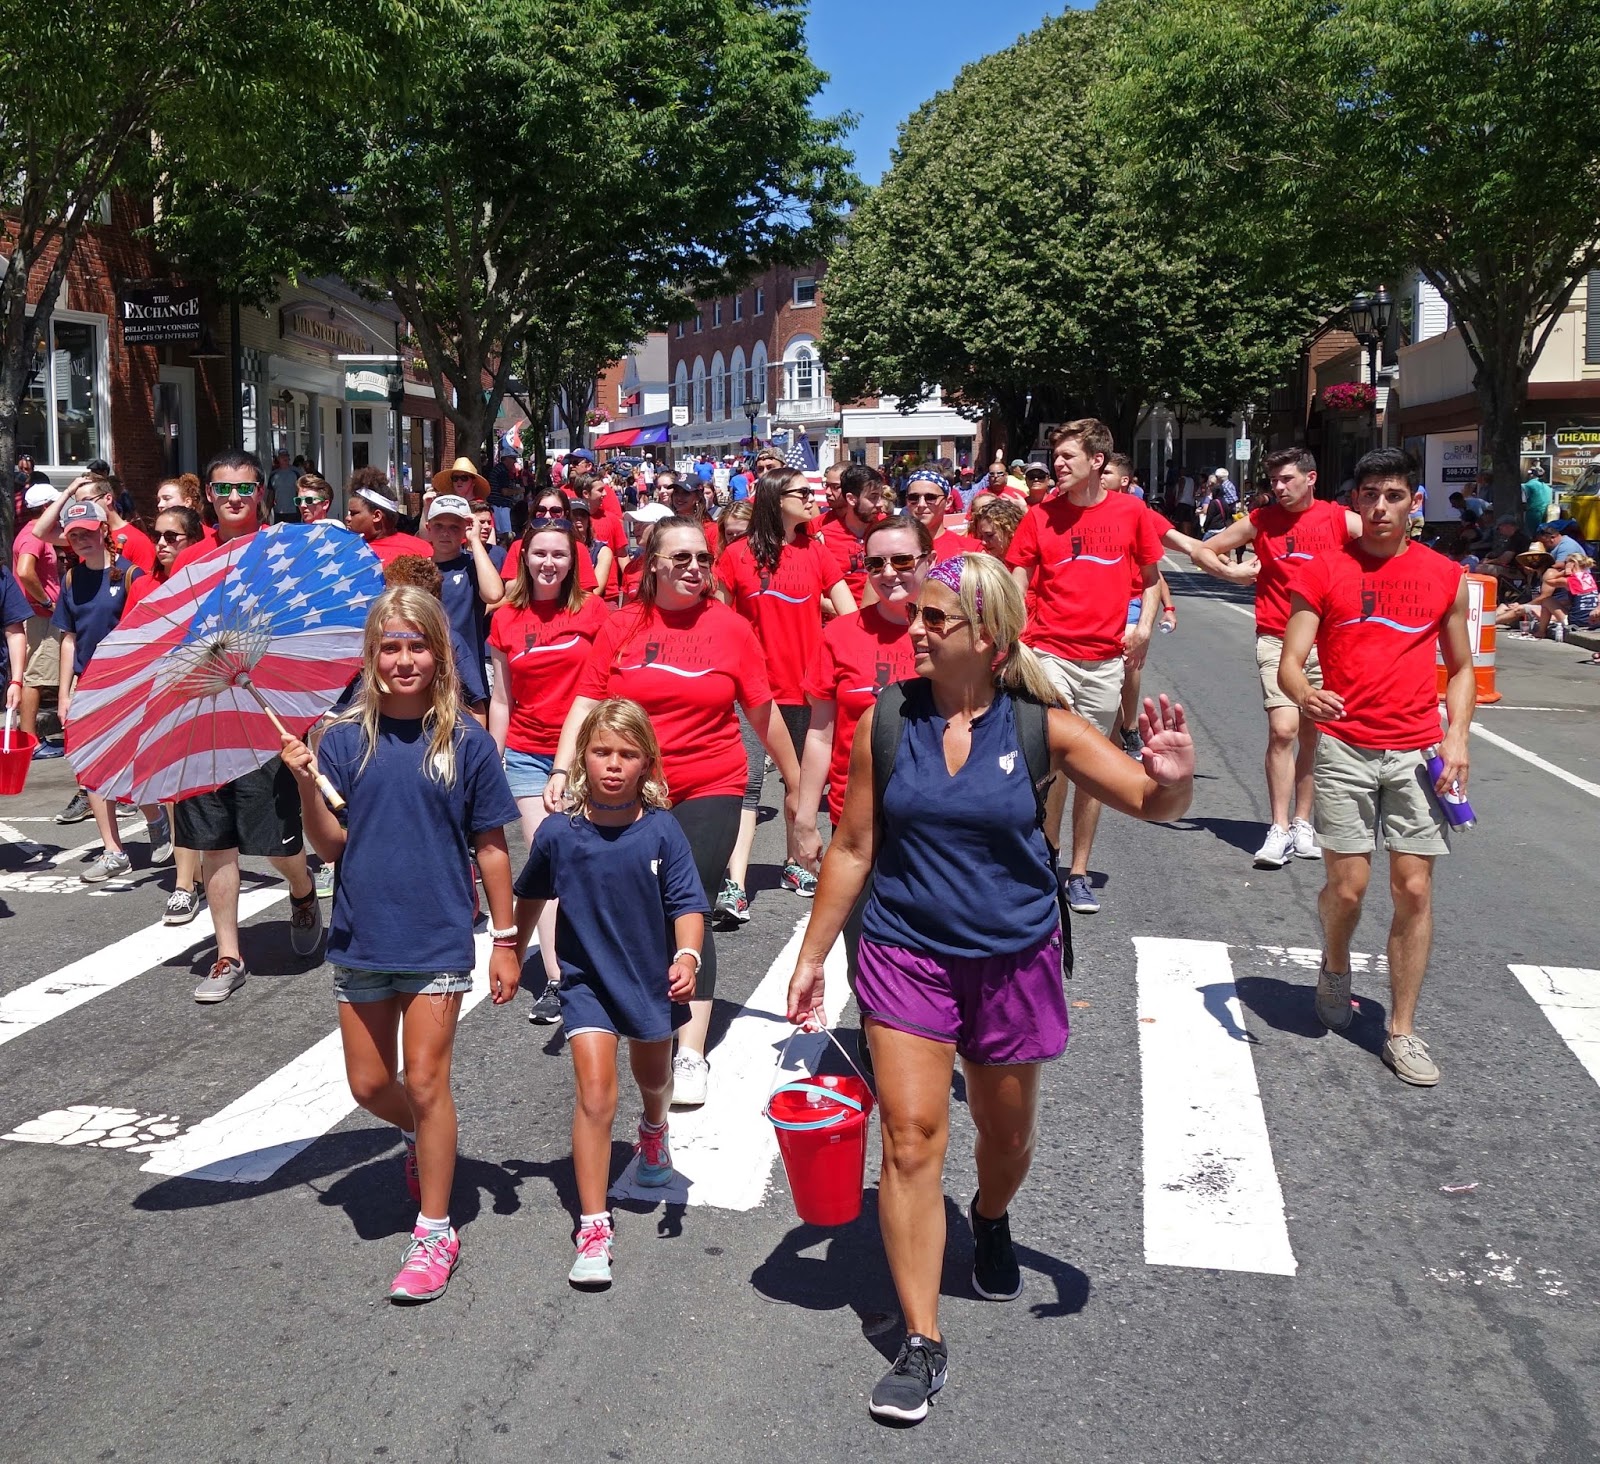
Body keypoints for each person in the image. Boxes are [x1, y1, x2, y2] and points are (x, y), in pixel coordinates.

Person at [784, 552, 1194, 1424]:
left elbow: (1151, 804)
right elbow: (854, 846)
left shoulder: (1045, 727)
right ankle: (923, 1340)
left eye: (937, 619)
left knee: (1004, 1138)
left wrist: (1172, 774)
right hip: (905, 952)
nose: (917, 629)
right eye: (918, 614)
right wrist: (814, 954)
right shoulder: (890, 719)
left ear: (991, 637)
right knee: (910, 1136)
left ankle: (992, 1216)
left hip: (1011, 956)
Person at [282, 585, 519, 1303]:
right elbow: (330, 847)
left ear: (439, 653)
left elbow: (492, 846)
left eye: (418, 645)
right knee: (366, 1085)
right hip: (360, 932)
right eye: (392, 646)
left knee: (425, 1080)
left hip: (438, 933)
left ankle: (435, 1229)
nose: (405, 658)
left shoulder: (467, 742)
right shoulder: (342, 738)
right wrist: (304, 787)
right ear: (372, 655)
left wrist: (506, 939)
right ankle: (428, 1135)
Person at [550, 516, 803, 1107]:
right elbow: (587, 700)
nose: (695, 568)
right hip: (633, 791)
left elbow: (762, 713)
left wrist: (796, 793)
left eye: (703, 559)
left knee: (686, 904)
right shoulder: (622, 625)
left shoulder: (732, 629)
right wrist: (564, 768)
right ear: (654, 564)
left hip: (711, 781)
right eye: (681, 558)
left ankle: (689, 1051)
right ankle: (641, 1011)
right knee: (640, 905)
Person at [1279, 448, 1474, 1088]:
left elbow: (1464, 669)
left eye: (1394, 495)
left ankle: (1402, 1029)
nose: (1382, 507)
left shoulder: (1444, 574)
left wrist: (1460, 740)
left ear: (1413, 502)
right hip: (1343, 747)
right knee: (1350, 887)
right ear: (1355, 503)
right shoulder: (1326, 571)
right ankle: (1336, 963)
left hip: (1418, 750)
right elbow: (1291, 659)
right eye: (1370, 496)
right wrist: (1304, 692)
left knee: (1414, 888)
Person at [512, 699, 706, 1288]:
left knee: (655, 1079)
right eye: (601, 752)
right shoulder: (558, 834)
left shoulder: (663, 830)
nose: (613, 765)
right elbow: (531, 897)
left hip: (649, 978)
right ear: (581, 759)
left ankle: (654, 1132)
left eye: (627, 755)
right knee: (596, 1095)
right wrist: (505, 948)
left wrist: (687, 955)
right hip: (585, 981)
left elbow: (688, 905)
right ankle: (593, 1224)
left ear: (647, 763)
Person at [174, 450, 322, 1003]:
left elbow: (306, 627)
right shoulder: (190, 562)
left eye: (243, 488)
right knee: (215, 841)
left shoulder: (281, 552)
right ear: (207, 497)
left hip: (267, 714)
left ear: (262, 492)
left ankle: (302, 889)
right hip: (203, 716)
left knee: (277, 842)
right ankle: (228, 954)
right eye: (222, 490)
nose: (233, 498)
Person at [1004, 419, 1163, 916]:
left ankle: (1077, 872)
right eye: (1055, 456)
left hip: (1103, 660)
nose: (1058, 464)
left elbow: (1152, 578)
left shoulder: (1131, 512)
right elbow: (1016, 577)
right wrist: (1014, 637)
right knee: (1050, 759)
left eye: (1068, 456)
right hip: (1047, 651)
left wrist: (1144, 627)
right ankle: (1044, 862)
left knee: (1090, 772)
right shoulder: (1039, 516)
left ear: (1098, 461)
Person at [1189, 448, 1363, 868]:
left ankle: (1304, 822)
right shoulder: (1262, 521)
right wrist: (1232, 574)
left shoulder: (1340, 519)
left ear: (1311, 478)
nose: (1280, 488)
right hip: (1277, 637)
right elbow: (1202, 551)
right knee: (1283, 730)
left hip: (1331, 642)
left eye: (1288, 479)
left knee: (1312, 733)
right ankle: (1279, 827)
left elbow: (1391, 544)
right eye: (1275, 481)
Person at [488, 514, 612, 1022]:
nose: (548, 563)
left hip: (587, 753)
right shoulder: (504, 618)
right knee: (549, 855)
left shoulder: (597, 612)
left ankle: (601, 955)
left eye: (559, 554)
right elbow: (501, 698)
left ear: (573, 561)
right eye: (539, 553)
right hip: (525, 752)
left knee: (592, 860)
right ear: (523, 557)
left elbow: (609, 687)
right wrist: (492, 758)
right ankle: (561, 980)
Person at [716, 466, 855, 896]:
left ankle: (795, 862)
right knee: (746, 784)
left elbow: (851, 616)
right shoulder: (735, 555)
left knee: (802, 782)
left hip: (807, 687)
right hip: (751, 690)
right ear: (776, 500)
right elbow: (718, 619)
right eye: (802, 492)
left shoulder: (816, 551)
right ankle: (735, 883)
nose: (813, 498)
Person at [794, 514, 932, 864]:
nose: (888, 573)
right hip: (856, 816)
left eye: (902, 561)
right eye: (875, 563)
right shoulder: (840, 634)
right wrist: (806, 819)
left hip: (937, 818)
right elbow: (820, 736)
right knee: (858, 919)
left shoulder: (957, 631)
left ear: (929, 561)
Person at [52, 500, 171, 882]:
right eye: (75, 535)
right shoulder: (71, 580)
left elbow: (150, 631)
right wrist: (65, 693)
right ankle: (113, 849)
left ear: (104, 530)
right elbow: (69, 638)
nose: (82, 540)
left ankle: (155, 816)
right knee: (91, 768)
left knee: (133, 762)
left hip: (127, 684)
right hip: (87, 686)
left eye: (88, 532)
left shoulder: (131, 576)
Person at [124, 506, 212, 921]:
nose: (161, 543)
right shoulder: (143, 587)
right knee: (174, 792)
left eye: (173, 536)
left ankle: (199, 875)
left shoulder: (210, 582)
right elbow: (130, 642)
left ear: (194, 541)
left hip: (207, 696)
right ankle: (185, 883)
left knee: (197, 793)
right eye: (157, 535)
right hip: (161, 698)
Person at [422, 493, 504, 721]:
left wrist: (475, 541)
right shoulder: (420, 569)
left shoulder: (472, 565)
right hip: (427, 673)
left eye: (454, 527)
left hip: (466, 675)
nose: (446, 533)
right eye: (438, 525)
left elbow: (494, 593)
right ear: (428, 528)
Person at [12, 484, 64, 758]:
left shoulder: (37, 533)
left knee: (37, 675)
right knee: (35, 676)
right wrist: (45, 601)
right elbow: (24, 571)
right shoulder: (34, 535)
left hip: (39, 614)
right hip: (39, 616)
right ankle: (31, 742)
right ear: (46, 507)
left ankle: (32, 739)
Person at [812, 464, 887, 600]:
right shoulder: (823, 536)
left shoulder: (888, 529)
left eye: (881, 496)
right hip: (840, 617)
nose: (880, 503)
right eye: (873, 497)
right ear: (852, 499)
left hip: (880, 615)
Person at [345, 468, 432, 564]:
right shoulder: (345, 551)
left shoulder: (420, 550)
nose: (347, 518)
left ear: (377, 516)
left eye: (353, 513)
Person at [902, 468, 980, 561]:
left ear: (948, 502)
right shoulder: (891, 548)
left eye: (930, 497)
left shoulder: (972, 550)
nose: (921, 504)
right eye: (913, 497)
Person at [267, 450, 301, 521]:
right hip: (279, 511)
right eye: (282, 456)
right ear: (278, 458)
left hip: (294, 511)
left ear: (289, 458)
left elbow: (302, 491)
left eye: (286, 456)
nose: (284, 458)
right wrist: (267, 512)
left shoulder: (296, 472)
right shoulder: (273, 474)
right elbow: (271, 494)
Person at [1520, 466, 1552, 535]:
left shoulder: (1527, 486)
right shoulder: (1548, 488)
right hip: (1545, 515)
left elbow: (1523, 502)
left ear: (1531, 475)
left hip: (1532, 515)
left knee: (1530, 536)